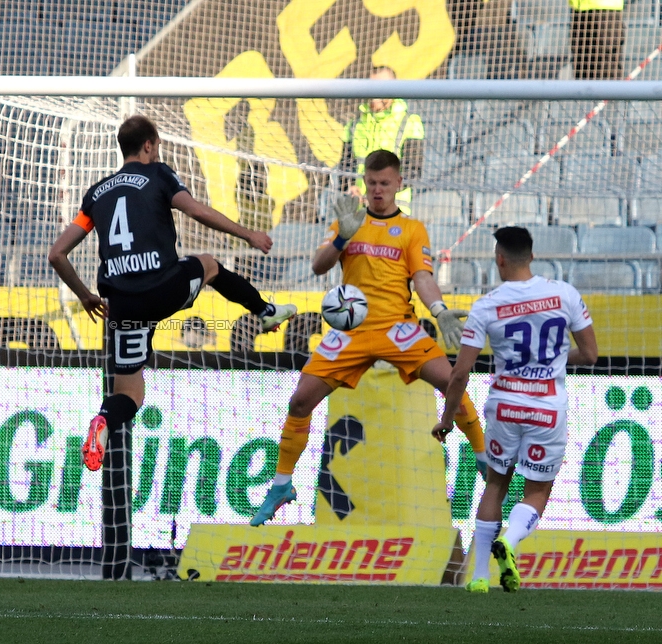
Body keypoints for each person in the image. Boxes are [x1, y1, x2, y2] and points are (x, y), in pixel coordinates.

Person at [48, 115, 297, 472]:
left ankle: (102, 420)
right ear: (149, 145)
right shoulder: (159, 174)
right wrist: (247, 235)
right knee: (209, 264)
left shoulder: (95, 195)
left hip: (120, 303)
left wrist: (85, 295)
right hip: (160, 288)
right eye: (158, 145)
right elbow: (194, 209)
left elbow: (57, 254)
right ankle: (265, 311)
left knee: (129, 394)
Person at [250, 150, 486, 526]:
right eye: (372, 183)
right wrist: (343, 236)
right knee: (299, 401)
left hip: (398, 328)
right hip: (351, 331)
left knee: (452, 380)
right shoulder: (349, 221)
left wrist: (439, 311)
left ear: (398, 185)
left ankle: (484, 458)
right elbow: (318, 265)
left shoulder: (412, 229)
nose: (378, 191)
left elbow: (422, 277)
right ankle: (282, 484)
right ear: (364, 183)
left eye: (385, 184)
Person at [433, 226, 598, 594]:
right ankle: (509, 540)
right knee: (537, 490)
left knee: (495, 485)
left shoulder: (487, 305)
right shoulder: (564, 294)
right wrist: (552, 360)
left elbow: (459, 373)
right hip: (547, 410)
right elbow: (590, 354)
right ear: (533, 256)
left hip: (505, 406)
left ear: (499, 259)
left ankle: (478, 576)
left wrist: (447, 420)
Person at [341, 67, 424, 207]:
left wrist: (379, 193)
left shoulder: (410, 122)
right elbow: (344, 167)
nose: (375, 92)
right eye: (372, 86)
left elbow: (412, 172)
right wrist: (349, 188)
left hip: (394, 211)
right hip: (358, 210)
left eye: (381, 86)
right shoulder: (355, 124)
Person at [569, 0, 624, 81]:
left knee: (605, 63)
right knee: (581, 61)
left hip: (605, 9)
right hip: (579, 9)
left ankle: (609, 92)